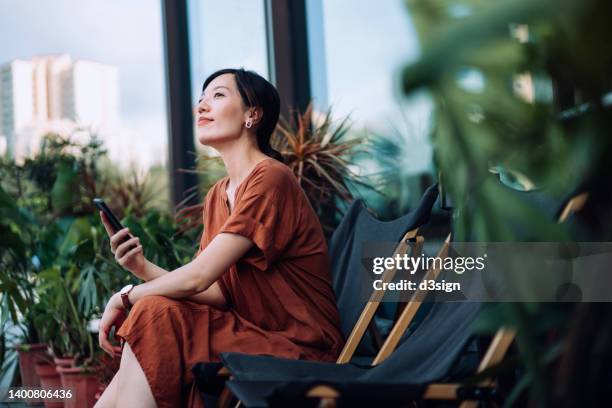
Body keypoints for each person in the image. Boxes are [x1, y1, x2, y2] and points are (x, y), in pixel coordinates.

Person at [94, 68, 344, 408]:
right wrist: (140, 267)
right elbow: (213, 291)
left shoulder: (271, 179)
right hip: (247, 334)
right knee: (155, 313)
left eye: (218, 95)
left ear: (252, 115)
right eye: (201, 99)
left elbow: (198, 277)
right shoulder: (218, 195)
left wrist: (124, 297)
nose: (201, 106)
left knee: (152, 312)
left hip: (299, 346)